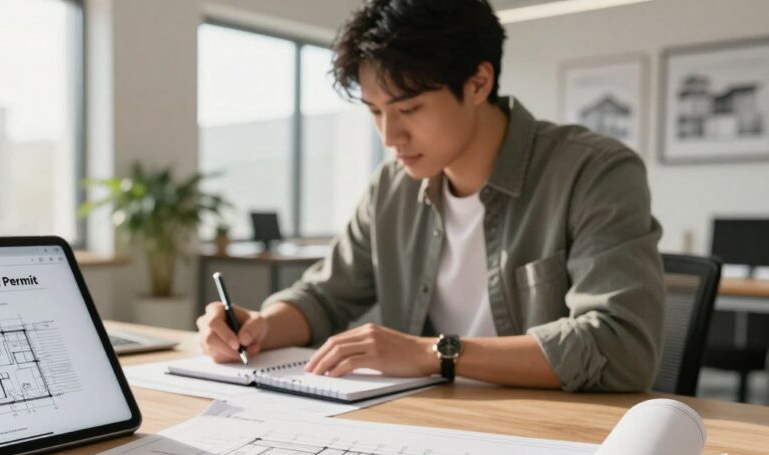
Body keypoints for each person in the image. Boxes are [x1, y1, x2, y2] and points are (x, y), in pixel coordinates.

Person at [195, 0, 665, 392]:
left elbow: (619, 348)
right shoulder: (391, 187)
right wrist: (259, 326)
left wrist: (433, 353)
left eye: (410, 108)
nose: (389, 135)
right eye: (375, 111)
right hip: (428, 425)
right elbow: (325, 296)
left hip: (555, 433)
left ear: (479, 83)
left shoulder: (593, 171)